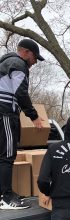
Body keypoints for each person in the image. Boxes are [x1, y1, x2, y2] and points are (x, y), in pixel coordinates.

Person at [0, 38, 44, 210]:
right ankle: (6, 197)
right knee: (7, 155)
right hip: (4, 113)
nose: (34, 63)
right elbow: (21, 92)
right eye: (34, 58)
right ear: (26, 52)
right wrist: (34, 116)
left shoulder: (6, 63)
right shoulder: (18, 64)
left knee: (3, 155)